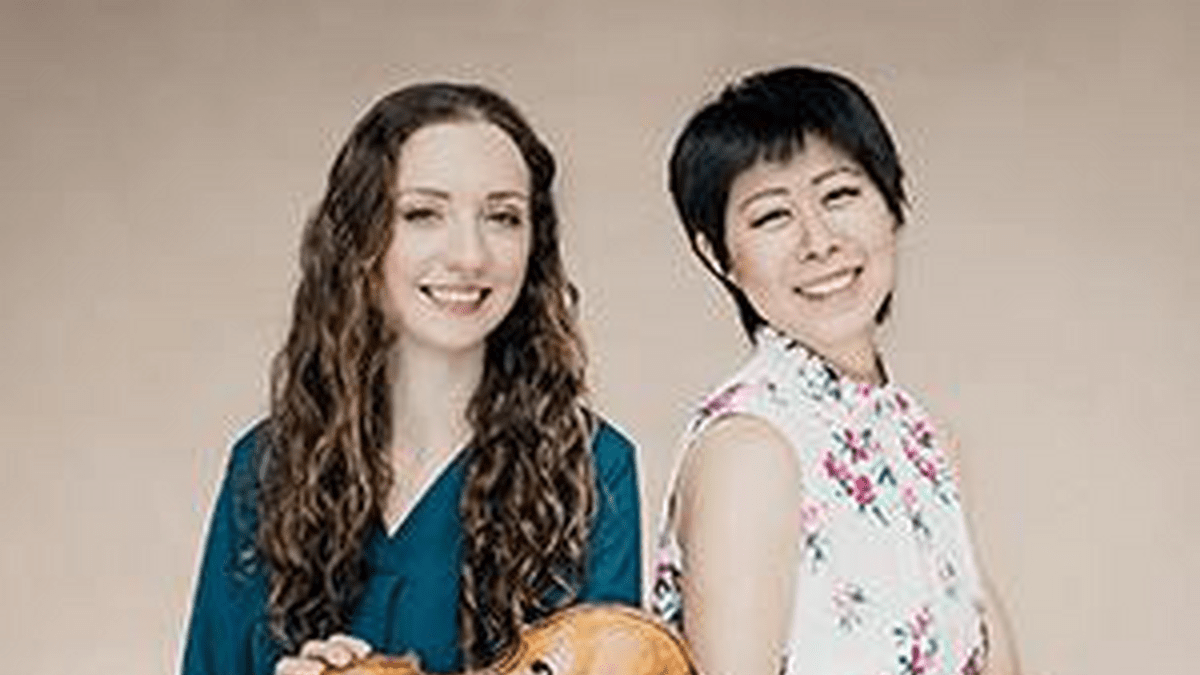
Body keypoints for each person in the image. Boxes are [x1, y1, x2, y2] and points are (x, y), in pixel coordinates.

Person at [181, 82, 641, 675]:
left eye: (503, 217)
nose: (470, 256)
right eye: (424, 214)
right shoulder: (265, 467)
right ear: (361, 237)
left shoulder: (592, 471)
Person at [650, 66, 1020, 675]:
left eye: (839, 195)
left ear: (892, 202)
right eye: (772, 216)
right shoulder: (750, 449)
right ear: (716, 255)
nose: (819, 242)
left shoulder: (925, 439)